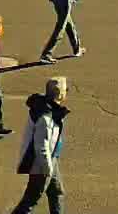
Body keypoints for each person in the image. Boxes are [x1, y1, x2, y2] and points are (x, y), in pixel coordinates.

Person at [9, 78, 70, 214]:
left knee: (57, 192)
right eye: (65, 89)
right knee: (31, 200)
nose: (67, 92)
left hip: (50, 160)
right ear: (59, 93)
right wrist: (47, 169)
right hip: (42, 165)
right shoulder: (45, 117)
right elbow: (41, 146)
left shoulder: (48, 107)